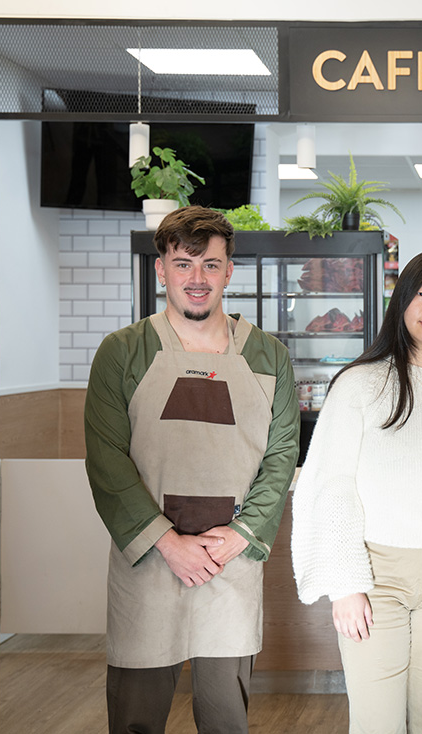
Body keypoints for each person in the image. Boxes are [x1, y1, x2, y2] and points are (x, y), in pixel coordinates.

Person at [84, 205, 300, 734]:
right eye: (183, 264)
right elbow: (107, 461)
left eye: (210, 264)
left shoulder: (270, 357)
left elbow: (281, 456)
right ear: (161, 269)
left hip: (231, 560)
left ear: (229, 271)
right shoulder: (122, 353)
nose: (196, 279)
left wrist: (240, 535)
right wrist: (168, 542)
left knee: (226, 718)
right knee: (135, 717)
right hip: (150, 563)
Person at [291, 249, 422, 734]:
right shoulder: (360, 385)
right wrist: (345, 583)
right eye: (421, 293)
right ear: (401, 303)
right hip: (375, 577)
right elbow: (329, 483)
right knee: (376, 722)